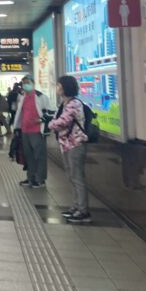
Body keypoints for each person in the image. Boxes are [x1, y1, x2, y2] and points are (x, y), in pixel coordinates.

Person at [48, 75, 91, 223]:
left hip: (76, 145)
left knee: (77, 178)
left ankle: (83, 211)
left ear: (65, 87)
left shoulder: (74, 104)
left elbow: (61, 122)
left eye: (59, 85)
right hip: (67, 145)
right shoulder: (64, 104)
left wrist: (50, 124)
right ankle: (76, 206)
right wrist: (53, 122)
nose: (57, 88)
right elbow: (56, 120)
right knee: (72, 177)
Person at [13, 75, 54, 188]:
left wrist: (41, 120)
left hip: (37, 131)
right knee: (28, 155)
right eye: (24, 83)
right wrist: (17, 128)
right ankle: (30, 177)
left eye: (28, 82)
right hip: (25, 130)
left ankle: (40, 179)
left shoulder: (41, 97)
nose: (25, 85)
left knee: (39, 155)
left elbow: (52, 111)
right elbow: (20, 114)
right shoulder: (23, 97)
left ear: (33, 83)